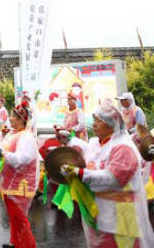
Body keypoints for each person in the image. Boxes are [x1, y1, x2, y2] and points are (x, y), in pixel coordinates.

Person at [61, 98, 154, 247]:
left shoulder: (123, 148)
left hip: (121, 219)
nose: (95, 124)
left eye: (99, 120)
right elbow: (90, 153)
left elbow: (113, 178)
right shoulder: (99, 142)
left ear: (112, 124)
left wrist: (81, 173)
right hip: (101, 213)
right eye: (94, 119)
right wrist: (69, 141)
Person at [0, 101, 38, 248]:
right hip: (10, 184)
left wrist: (2, 154)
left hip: (21, 186)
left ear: (22, 119)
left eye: (13, 116)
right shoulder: (12, 133)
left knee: (19, 218)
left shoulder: (26, 137)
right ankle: (15, 242)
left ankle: (28, 245)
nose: (10, 118)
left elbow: (22, 159)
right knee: (14, 218)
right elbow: (1, 150)